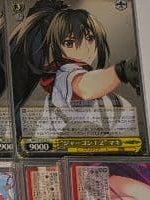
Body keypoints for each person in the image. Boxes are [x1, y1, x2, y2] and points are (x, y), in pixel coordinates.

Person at [8, 0, 141, 137]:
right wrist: (121, 71)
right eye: (69, 43)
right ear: (56, 47)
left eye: (90, 38)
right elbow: (85, 89)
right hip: (58, 145)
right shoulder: (64, 73)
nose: (83, 48)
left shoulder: (112, 99)